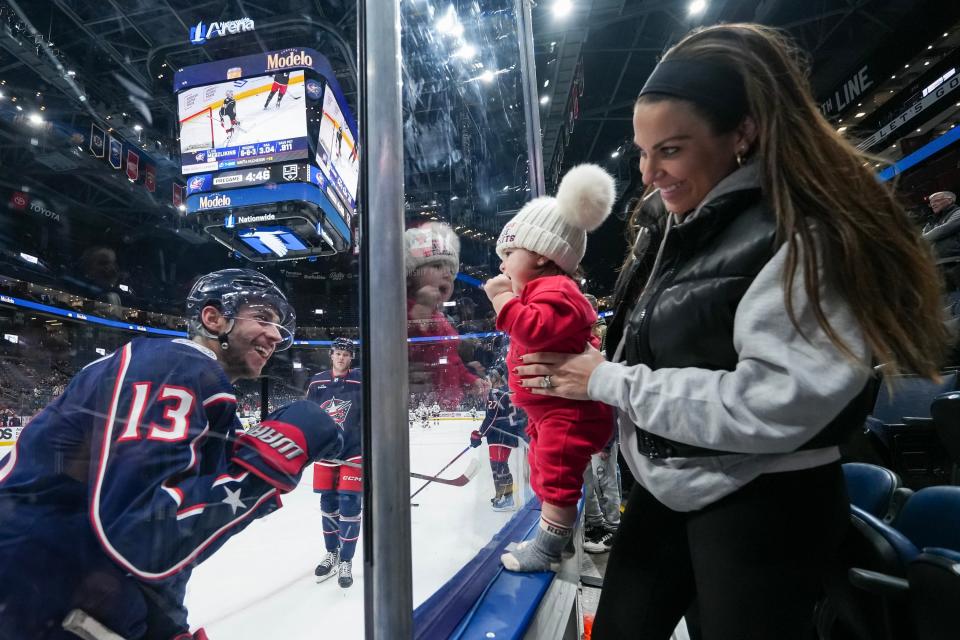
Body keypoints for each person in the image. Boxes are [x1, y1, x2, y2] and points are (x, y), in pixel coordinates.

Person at [514, 24, 948, 639]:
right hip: (672, 491)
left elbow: (774, 404)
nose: (650, 172)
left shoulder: (805, 235)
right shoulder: (675, 224)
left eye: (671, 149)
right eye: (643, 151)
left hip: (766, 506)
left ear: (741, 132)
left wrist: (608, 380)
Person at [0, 268, 342, 640]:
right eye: (262, 318)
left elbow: (146, 529)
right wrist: (269, 460)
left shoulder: (184, 377)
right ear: (213, 318)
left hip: (58, 585)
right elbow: (141, 531)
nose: (276, 336)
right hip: (38, 591)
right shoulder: (178, 365)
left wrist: (162, 620)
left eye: (278, 326)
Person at [484, 163, 616, 572]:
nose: (503, 266)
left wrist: (502, 301)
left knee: (557, 479)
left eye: (510, 254)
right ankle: (553, 537)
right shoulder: (546, 288)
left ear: (541, 256)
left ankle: (547, 548)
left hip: (568, 412)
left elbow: (535, 329)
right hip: (550, 410)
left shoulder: (556, 290)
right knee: (544, 473)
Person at [405, 222, 489, 409]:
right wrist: (420, 312)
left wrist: (470, 380)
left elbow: (452, 361)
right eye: (436, 265)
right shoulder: (397, 313)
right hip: (418, 409)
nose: (446, 274)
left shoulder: (440, 318)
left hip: (446, 406)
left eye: (451, 270)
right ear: (410, 275)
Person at [308, 337, 363, 589]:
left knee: (350, 505)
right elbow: (308, 416)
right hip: (326, 453)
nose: (341, 357)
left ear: (351, 357)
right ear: (331, 355)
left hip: (353, 453)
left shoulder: (361, 380)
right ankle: (332, 553)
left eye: (346, 354)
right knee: (328, 504)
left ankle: (346, 560)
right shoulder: (317, 382)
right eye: (338, 353)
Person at [580, 296, 621, 554]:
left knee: (605, 480)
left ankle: (614, 529)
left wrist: (606, 440)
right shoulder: (582, 349)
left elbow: (608, 400)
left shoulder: (601, 354)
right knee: (591, 482)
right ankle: (597, 525)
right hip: (585, 432)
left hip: (600, 433)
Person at [468, 367, 527, 511]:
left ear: (496, 379)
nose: (487, 381)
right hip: (505, 434)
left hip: (500, 433)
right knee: (497, 465)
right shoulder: (508, 391)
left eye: (489, 378)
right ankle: (500, 495)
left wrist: (479, 434)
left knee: (500, 466)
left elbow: (491, 417)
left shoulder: (495, 393)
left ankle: (508, 499)